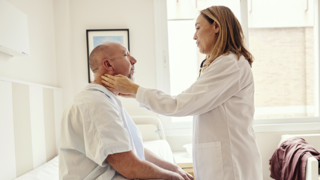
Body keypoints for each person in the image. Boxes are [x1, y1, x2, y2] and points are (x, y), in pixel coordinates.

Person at [101, 6, 263, 180]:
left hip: (231, 164)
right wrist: (134, 93)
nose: (194, 36)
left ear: (216, 26)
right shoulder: (218, 64)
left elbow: (180, 104)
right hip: (222, 160)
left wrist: (134, 89)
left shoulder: (230, 64)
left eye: (198, 28)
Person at [59, 42, 193, 180]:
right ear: (108, 65)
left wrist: (174, 168)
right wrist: (173, 177)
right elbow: (130, 167)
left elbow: (133, 149)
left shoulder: (105, 100)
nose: (134, 60)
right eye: (126, 55)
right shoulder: (95, 103)